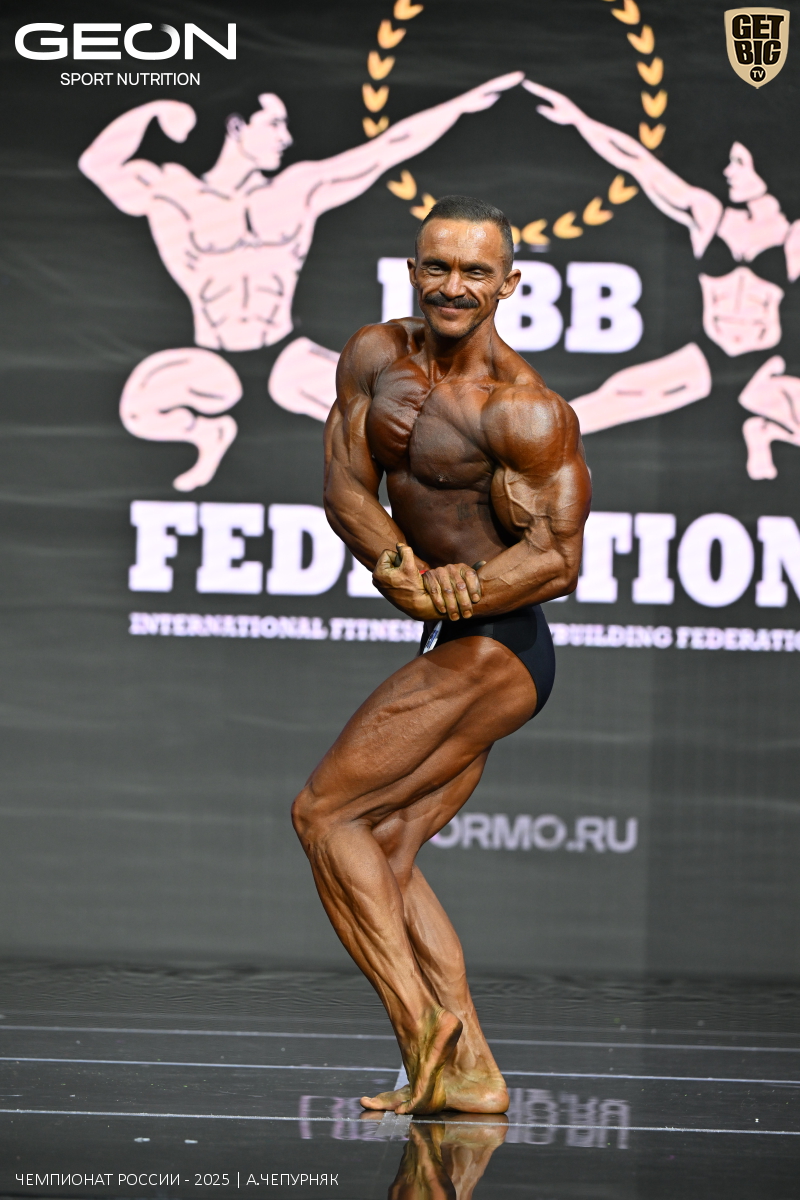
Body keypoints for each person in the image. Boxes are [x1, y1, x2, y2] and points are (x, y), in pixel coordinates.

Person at [291, 196, 591, 1115]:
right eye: (438, 266)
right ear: (413, 270)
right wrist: (402, 568)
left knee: (325, 814)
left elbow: (558, 559)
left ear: (509, 284)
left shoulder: (525, 411)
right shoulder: (374, 355)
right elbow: (346, 485)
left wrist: (467, 591)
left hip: (500, 647)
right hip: (449, 627)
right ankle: (475, 1075)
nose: (453, 286)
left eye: (475, 272)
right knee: (385, 845)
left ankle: (422, 1030)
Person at [79, 76, 523, 490]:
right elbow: (98, 164)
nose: (285, 137)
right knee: (140, 408)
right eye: (273, 124)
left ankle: (420, 500)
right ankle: (207, 434)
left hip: (284, 354)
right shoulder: (174, 194)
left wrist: (463, 105)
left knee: (400, 419)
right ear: (237, 127)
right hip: (211, 356)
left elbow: (389, 147)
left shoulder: (296, 190)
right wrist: (157, 108)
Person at [522, 79, 800, 480]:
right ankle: (516, 445)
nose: (728, 171)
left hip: (763, 361)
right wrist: (580, 120)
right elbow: (638, 162)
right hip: (711, 353)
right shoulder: (710, 215)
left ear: (765, 164)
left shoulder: (792, 236)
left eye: (739, 162)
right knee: (618, 396)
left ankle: (765, 431)